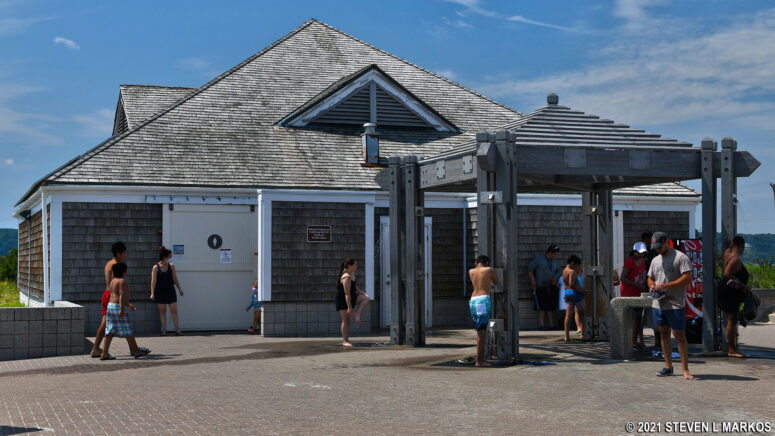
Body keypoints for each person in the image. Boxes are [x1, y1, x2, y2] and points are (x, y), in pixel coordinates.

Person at [647, 232, 694, 379]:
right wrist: (652, 286)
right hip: (658, 302)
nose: (658, 250)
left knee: (679, 335)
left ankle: (685, 369)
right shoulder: (655, 260)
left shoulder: (681, 258)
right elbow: (650, 278)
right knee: (663, 334)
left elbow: (687, 278)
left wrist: (667, 285)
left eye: (660, 247)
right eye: (655, 248)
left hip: (675, 302)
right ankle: (668, 367)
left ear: (667, 242)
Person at [718, 236, 761, 358]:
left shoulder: (728, 252)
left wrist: (729, 245)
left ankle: (740, 315)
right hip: (730, 291)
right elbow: (727, 273)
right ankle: (732, 350)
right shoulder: (735, 259)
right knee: (731, 319)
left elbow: (729, 248)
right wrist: (742, 285)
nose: (744, 250)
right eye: (743, 247)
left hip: (731, 291)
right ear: (741, 246)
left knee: (756, 301)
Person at [101, 262, 150, 360]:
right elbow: (121, 295)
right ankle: (136, 351)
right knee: (128, 330)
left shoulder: (113, 281)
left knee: (109, 331)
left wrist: (129, 305)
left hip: (110, 306)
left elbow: (114, 295)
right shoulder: (122, 281)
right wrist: (122, 309)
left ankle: (104, 353)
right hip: (118, 307)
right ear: (123, 272)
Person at [90, 241, 128, 358]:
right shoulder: (115, 265)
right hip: (111, 296)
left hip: (107, 295)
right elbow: (115, 284)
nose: (126, 255)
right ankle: (96, 349)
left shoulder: (109, 263)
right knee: (106, 324)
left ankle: (134, 348)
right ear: (118, 253)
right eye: (124, 253)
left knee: (117, 324)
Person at [620, 242, 649, 350]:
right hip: (629, 292)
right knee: (634, 317)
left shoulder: (642, 261)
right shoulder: (629, 261)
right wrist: (635, 284)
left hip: (639, 292)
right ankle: (632, 341)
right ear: (634, 251)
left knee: (639, 317)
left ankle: (639, 339)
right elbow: (622, 277)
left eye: (643, 253)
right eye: (640, 253)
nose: (642, 255)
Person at [469, 255, 497, 367]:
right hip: (482, 300)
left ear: (476, 263)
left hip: (473, 300)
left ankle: (481, 359)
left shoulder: (471, 271)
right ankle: (479, 360)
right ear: (487, 263)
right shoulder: (488, 269)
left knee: (479, 330)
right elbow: (495, 282)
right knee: (482, 332)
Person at [150, 246, 184, 336]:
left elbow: (175, 279)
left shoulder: (171, 266)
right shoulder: (155, 267)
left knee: (174, 311)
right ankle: (164, 331)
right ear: (165, 257)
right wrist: (152, 293)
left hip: (170, 291)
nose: (170, 258)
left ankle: (177, 330)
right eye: (169, 256)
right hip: (160, 292)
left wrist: (180, 289)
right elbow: (153, 281)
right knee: (163, 312)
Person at [335, 258, 369, 347]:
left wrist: (360, 291)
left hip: (351, 295)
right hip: (343, 299)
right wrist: (350, 308)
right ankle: (345, 341)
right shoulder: (346, 276)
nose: (356, 266)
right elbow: (346, 294)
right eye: (355, 264)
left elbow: (353, 285)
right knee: (346, 320)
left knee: (366, 298)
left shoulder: (351, 273)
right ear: (350, 266)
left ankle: (357, 314)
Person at [528, 244, 562, 330]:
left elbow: (559, 271)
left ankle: (551, 324)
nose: (556, 255)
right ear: (550, 252)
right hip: (540, 285)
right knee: (542, 306)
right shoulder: (539, 259)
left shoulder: (555, 261)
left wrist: (555, 277)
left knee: (550, 306)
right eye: (555, 254)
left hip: (551, 285)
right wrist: (533, 280)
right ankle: (542, 324)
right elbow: (530, 268)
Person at [562, 255, 585, 342]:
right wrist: (582, 291)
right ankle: (583, 334)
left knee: (568, 315)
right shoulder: (572, 271)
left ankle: (566, 336)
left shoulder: (564, 271)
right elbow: (572, 284)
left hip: (567, 294)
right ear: (572, 263)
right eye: (577, 265)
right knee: (582, 313)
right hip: (576, 294)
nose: (577, 267)